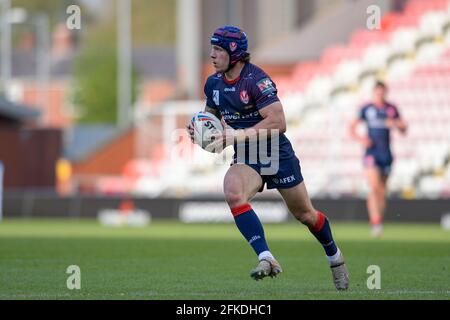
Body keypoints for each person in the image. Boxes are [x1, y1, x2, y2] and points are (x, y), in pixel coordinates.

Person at [187, 25, 349, 290]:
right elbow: (211, 118)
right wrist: (200, 130)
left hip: (275, 151)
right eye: (212, 48)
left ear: (233, 52)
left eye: (218, 49)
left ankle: (334, 256)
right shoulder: (213, 82)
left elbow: (279, 121)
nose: (212, 55)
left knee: (305, 214)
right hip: (249, 154)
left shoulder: (255, 80)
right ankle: (266, 257)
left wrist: (236, 135)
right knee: (233, 192)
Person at [350, 81, 407, 237]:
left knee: (382, 191)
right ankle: (375, 222)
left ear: (385, 93)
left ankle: (378, 221)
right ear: (374, 93)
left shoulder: (391, 109)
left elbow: (404, 128)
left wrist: (394, 123)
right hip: (371, 152)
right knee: (374, 187)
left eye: (382, 93)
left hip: (386, 154)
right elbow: (351, 128)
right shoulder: (366, 108)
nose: (380, 95)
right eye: (377, 93)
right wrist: (362, 139)